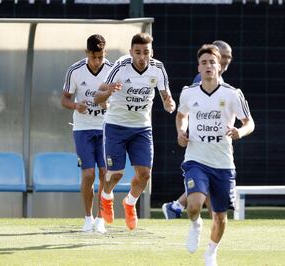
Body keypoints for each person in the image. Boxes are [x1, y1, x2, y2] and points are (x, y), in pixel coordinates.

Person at [176, 44, 254, 266]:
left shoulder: (232, 93)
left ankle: (211, 251)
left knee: (220, 216)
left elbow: (249, 122)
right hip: (195, 159)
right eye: (204, 62)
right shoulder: (188, 92)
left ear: (219, 66)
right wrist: (181, 131)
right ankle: (195, 224)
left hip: (223, 162)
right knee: (193, 205)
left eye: (212, 62)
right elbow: (181, 115)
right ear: (198, 67)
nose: (208, 66)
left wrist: (240, 131)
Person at [94, 32, 176, 230]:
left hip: (141, 128)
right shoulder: (121, 66)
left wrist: (169, 103)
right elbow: (98, 96)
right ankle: (106, 198)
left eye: (145, 52)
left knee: (145, 175)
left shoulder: (158, 69)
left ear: (151, 52)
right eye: (137, 52)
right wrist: (109, 90)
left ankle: (130, 203)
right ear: (131, 52)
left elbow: (166, 96)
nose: (141, 57)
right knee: (115, 175)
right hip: (116, 125)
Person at [162, 40, 233, 219]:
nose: (227, 60)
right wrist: (183, 131)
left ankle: (176, 206)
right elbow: (187, 113)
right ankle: (184, 211)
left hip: (217, 146)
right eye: (223, 56)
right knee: (206, 186)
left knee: (207, 186)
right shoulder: (202, 79)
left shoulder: (223, 85)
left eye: (229, 57)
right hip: (199, 145)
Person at [61, 34, 113, 233]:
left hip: (106, 128)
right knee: (89, 174)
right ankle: (87, 217)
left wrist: (109, 103)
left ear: (104, 53)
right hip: (82, 128)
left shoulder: (112, 70)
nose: (97, 61)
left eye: (100, 57)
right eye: (93, 57)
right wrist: (76, 105)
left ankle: (101, 219)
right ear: (87, 53)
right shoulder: (75, 70)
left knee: (104, 173)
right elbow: (64, 99)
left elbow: (119, 98)